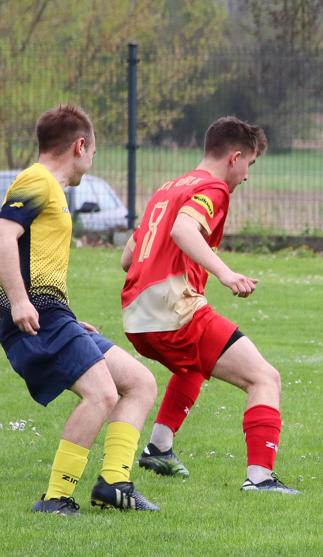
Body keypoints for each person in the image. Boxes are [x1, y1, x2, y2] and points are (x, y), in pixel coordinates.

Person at [0, 104, 160, 514]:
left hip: (52, 310)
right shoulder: (38, 180)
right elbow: (0, 236)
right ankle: (56, 497)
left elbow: (38, 256)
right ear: (80, 145)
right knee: (101, 394)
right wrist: (19, 301)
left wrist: (65, 314)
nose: (92, 160)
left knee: (139, 382)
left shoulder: (52, 190)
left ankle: (115, 484)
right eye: (94, 152)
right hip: (35, 312)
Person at [121, 116, 299, 494]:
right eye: (249, 165)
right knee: (265, 378)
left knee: (195, 365)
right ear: (234, 157)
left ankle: (159, 447)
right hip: (174, 309)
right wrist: (225, 273)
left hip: (136, 314)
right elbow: (183, 230)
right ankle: (260, 479)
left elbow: (127, 258)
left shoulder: (169, 188)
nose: (247, 176)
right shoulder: (214, 188)